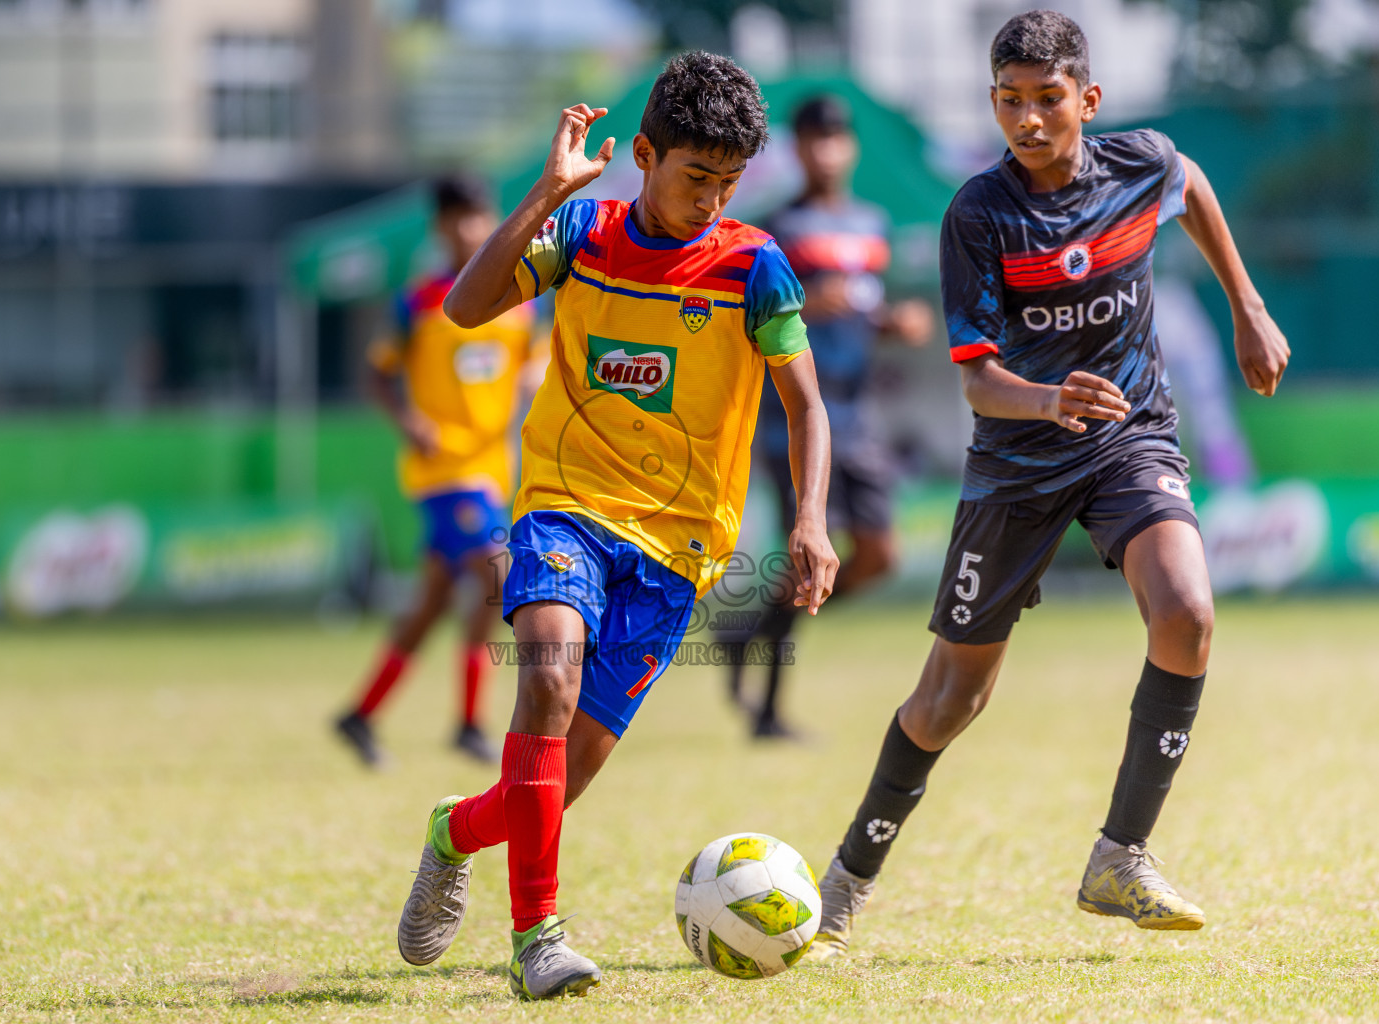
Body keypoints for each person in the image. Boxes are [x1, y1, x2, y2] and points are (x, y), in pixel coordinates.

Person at [809, 10, 1289, 958]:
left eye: (1047, 100)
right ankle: (846, 881)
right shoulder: (979, 214)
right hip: (1018, 462)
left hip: (1126, 436)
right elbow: (979, 379)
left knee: (1188, 611)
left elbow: (1188, 183)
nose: (1028, 120)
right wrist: (1045, 397)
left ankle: (1122, 854)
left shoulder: (1137, 162)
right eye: (1009, 102)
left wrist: (1248, 304)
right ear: (994, 104)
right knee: (951, 697)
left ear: (1088, 101)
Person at [392, 52, 838, 1000]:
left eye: (728, 181)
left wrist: (809, 519)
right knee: (546, 676)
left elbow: (804, 405)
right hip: (566, 506)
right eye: (693, 177)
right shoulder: (582, 233)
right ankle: (536, 941)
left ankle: (453, 831)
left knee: (558, 781)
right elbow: (469, 307)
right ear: (643, 154)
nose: (710, 199)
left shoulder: (755, 264)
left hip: (681, 547)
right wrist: (547, 190)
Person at [720, 94, 933, 739]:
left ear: (851, 149)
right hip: (790, 410)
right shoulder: (771, 228)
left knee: (878, 555)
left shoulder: (870, 223)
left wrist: (897, 322)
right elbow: (746, 319)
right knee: (806, 556)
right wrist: (809, 306)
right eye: (813, 140)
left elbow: (871, 308)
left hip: (855, 409)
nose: (825, 151)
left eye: (836, 140)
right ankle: (769, 712)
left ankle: (748, 633)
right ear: (797, 148)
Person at [333, 174, 542, 769]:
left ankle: (363, 714)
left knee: (432, 604)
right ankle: (479, 722)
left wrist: (532, 377)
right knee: (499, 575)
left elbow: (539, 355)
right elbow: (376, 372)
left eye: (482, 216)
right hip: (443, 470)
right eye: (460, 218)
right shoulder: (419, 302)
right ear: (441, 225)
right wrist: (408, 421)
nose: (473, 229)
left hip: (491, 467)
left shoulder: (518, 296)